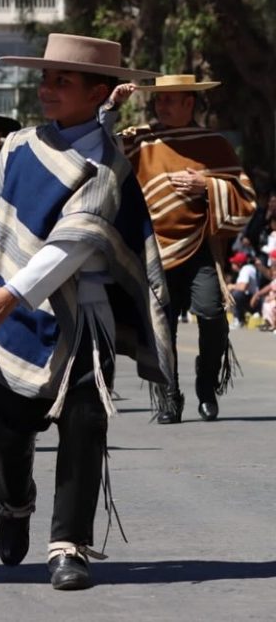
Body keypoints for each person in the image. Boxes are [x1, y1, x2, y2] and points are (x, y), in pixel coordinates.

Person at [0, 34, 173, 590]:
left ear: (98, 92)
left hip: (84, 315)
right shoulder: (21, 144)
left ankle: (69, 547)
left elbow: (75, 243)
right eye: (46, 79)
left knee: (85, 424)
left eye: (63, 80)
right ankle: (13, 502)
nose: (47, 89)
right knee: (10, 430)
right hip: (16, 316)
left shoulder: (107, 162)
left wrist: (12, 291)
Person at [105, 74, 256, 422]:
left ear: (190, 103)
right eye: (159, 99)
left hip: (200, 247)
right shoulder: (138, 139)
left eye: (171, 99)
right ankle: (169, 395)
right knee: (163, 326)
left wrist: (208, 185)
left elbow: (245, 195)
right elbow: (99, 149)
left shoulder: (213, 142)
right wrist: (112, 107)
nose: (163, 105)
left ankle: (207, 383)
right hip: (152, 248)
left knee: (212, 315)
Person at [226, 251, 259, 327]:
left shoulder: (246, 269)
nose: (232, 265)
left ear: (239, 264)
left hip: (253, 300)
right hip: (250, 298)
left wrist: (231, 286)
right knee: (234, 293)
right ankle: (240, 318)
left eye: (233, 263)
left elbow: (242, 287)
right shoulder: (246, 269)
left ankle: (238, 320)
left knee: (237, 294)